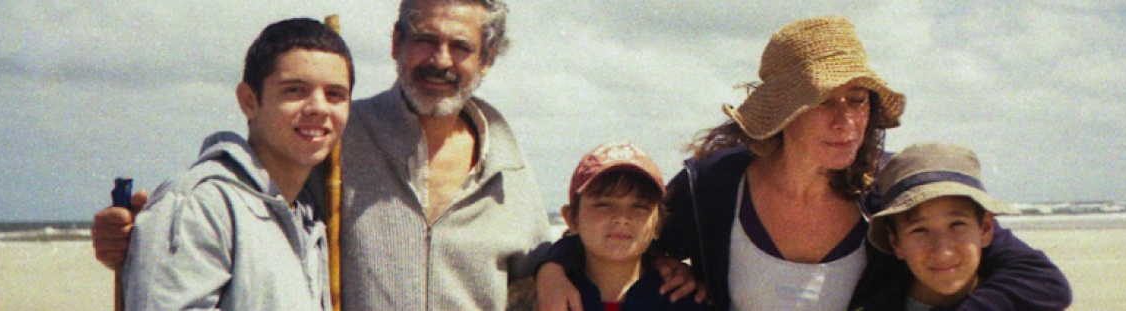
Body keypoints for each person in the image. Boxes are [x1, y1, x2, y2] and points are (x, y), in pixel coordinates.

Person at [94, 1, 699, 310]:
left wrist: (555, 264)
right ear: (395, 43)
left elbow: (552, 249)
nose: (440, 59)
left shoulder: (510, 165)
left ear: (485, 62)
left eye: (460, 46)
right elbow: (247, 202)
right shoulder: (335, 138)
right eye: (424, 38)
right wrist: (134, 236)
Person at [538, 16, 1071, 310]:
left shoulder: (887, 187)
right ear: (783, 114)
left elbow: (1039, 280)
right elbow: (626, 229)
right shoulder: (716, 186)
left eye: (857, 101)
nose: (846, 121)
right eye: (824, 101)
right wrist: (555, 263)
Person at [120, 18, 354, 310]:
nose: (319, 108)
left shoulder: (307, 217)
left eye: (335, 94)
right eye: (295, 90)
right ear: (248, 101)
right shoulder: (202, 206)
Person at [859, 143, 1067, 310]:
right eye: (919, 230)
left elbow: (1050, 283)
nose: (943, 251)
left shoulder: (1022, 298)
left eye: (957, 224)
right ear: (895, 242)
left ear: (986, 229)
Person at [558, 141, 710, 311]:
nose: (622, 217)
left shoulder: (685, 302)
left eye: (640, 206)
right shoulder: (551, 296)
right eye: (603, 204)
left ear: (658, 224)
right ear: (572, 218)